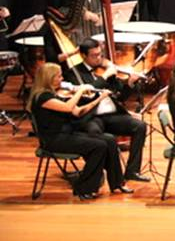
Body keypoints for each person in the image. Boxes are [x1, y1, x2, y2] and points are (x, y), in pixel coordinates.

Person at [27, 63, 131, 199]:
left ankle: (117, 183)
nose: (62, 78)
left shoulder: (54, 95)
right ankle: (84, 188)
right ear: (49, 78)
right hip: (54, 140)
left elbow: (77, 112)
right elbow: (68, 108)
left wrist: (100, 98)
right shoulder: (42, 97)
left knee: (109, 140)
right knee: (98, 146)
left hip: (67, 134)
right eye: (59, 76)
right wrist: (80, 91)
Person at [66, 38, 149, 182]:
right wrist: (105, 76)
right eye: (94, 55)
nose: (99, 58)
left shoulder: (105, 70)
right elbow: (87, 95)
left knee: (140, 126)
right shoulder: (74, 73)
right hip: (91, 117)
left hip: (112, 115)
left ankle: (132, 171)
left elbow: (120, 96)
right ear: (84, 55)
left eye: (100, 54)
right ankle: (103, 173)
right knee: (96, 135)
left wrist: (129, 83)